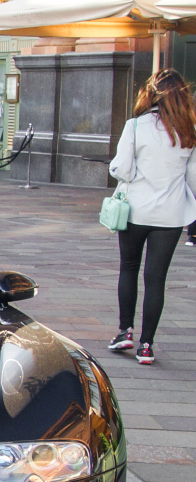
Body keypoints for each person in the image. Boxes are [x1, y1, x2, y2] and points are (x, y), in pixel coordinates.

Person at [107, 68, 196, 365]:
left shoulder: (135, 126)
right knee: (156, 279)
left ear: (151, 95)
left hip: (135, 210)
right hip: (171, 215)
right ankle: (147, 346)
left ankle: (124, 332)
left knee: (129, 268)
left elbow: (123, 169)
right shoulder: (189, 131)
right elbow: (193, 178)